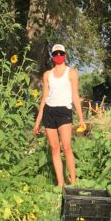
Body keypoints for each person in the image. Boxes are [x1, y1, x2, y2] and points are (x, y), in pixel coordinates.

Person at [33, 44, 86, 187]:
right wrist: (38, 121)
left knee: (67, 146)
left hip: (64, 111)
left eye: (60, 53)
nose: (58, 56)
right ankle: (60, 183)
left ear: (65, 55)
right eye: (55, 54)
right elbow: (44, 98)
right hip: (49, 112)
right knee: (54, 148)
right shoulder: (47, 75)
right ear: (52, 56)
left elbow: (75, 96)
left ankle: (73, 182)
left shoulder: (72, 73)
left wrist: (81, 118)